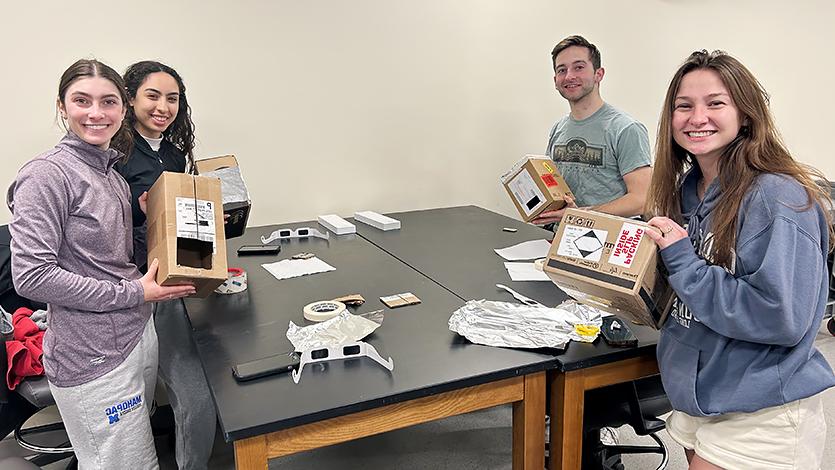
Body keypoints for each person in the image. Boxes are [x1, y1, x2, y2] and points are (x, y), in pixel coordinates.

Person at [645, 50, 834, 469]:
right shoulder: (685, 192)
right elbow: (686, 295)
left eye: (715, 103)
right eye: (684, 106)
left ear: (745, 115)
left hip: (761, 403)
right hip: (702, 392)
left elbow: (780, 317)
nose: (697, 118)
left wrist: (682, 261)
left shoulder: (776, 197)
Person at [8, 59, 196, 468]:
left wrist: (142, 215)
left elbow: (102, 255)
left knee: (134, 455)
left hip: (133, 333)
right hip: (93, 353)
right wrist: (135, 291)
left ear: (122, 109)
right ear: (62, 106)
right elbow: (32, 276)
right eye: (82, 101)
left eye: (108, 102)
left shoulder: (109, 171)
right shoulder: (47, 175)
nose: (97, 113)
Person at [114, 61, 217, 470]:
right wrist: (138, 214)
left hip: (174, 282)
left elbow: (179, 227)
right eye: (152, 96)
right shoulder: (115, 155)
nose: (163, 107)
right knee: (132, 399)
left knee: (198, 393)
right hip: (131, 289)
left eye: (172, 98)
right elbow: (100, 231)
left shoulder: (174, 155)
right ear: (131, 99)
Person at [532, 35, 652, 226]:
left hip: (608, 240)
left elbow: (642, 200)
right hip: (560, 236)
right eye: (562, 70)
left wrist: (580, 214)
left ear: (599, 74)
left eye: (579, 67)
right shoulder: (558, 129)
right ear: (555, 80)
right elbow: (555, 189)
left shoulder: (626, 129)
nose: (569, 76)